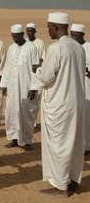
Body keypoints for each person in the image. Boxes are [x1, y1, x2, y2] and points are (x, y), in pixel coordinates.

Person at [34, 12, 85, 197]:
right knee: (74, 143)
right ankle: (73, 182)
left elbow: (46, 77)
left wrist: (38, 69)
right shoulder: (78, 48)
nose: (47, 30)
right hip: (76, 103)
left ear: (56, 27)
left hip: (60, 104)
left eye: (49, 26)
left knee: (59, 145)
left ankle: (60, 186)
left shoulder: (57, 48)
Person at [0, 24, 39, 150]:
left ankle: (28, 141)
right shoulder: (11, 48)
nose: (15, 39)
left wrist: (34, 87)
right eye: (13, 36)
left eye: (17, 36)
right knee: (11, 112)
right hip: (12, 86)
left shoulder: (32, 48)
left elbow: (36, 69)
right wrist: (4, 85)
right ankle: (14, 139)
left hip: (26, 85)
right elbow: (7, 67)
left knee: (26, 112)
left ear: (22, 35)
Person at [70, 23, 90, 156]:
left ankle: (87, 147)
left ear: (83, 35)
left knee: (87, 117)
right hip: (73, 86)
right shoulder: (71, 47)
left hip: (87, 86)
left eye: (76, 36)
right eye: (72, 36)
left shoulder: (89, 47)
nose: (73, 38)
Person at [26, 22, 46, 126]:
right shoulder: (23, 42)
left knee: (35, 98)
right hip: (25, 74)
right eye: (27, 30)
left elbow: (42, 58)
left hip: (36, 73)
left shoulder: (40, 43)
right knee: (26, 97)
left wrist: (37, 65)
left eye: (31, 30)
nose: (29, 32)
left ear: (34, 31)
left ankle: (32, 122)